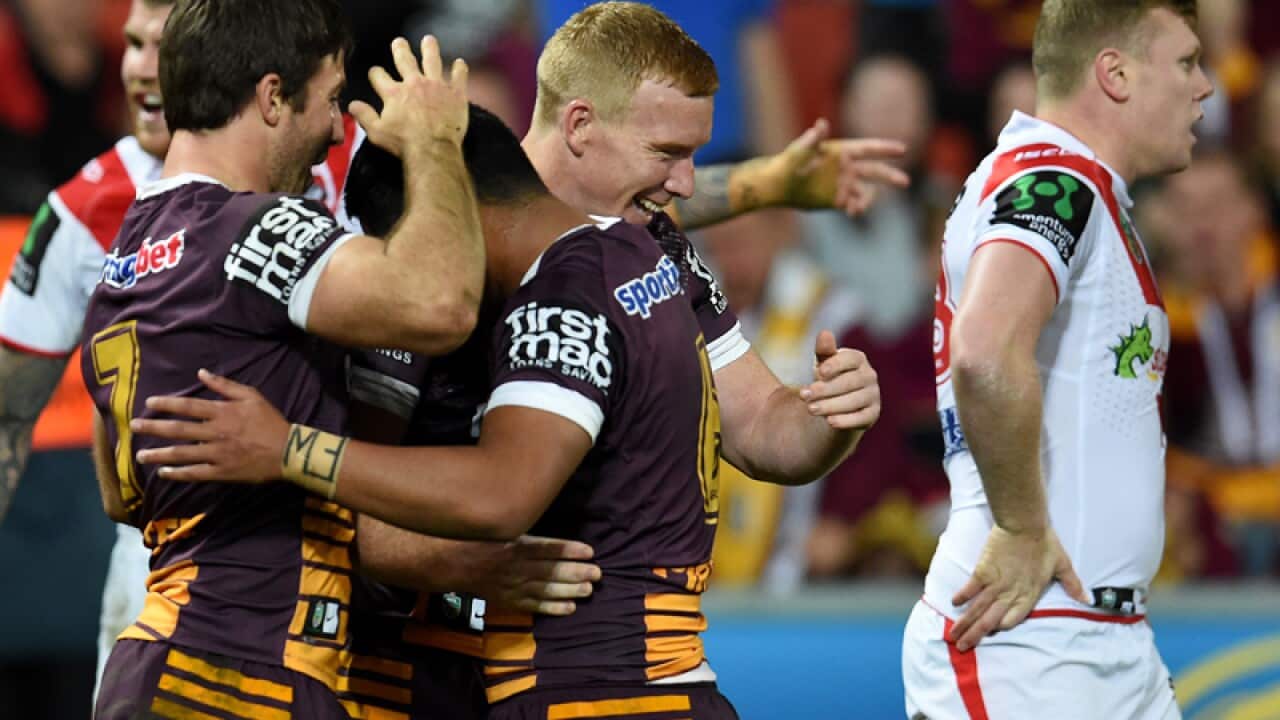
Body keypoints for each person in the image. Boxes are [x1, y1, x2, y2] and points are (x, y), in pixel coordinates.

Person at [80, 0, 488, 714]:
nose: (337, 129)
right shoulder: (250, 229)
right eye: (330, 101)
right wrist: (435, 142)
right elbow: (441, 304)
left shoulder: (134, 248)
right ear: (272, 98)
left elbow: (121, 494)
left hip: (180, 657)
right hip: (229, 669)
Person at [0, 0, 369, 701]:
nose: (143, 69)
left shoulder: (341, 153)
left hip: (340, 566)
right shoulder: (82, 208)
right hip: (172, 578)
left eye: (160, 46)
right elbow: (5, 420)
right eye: (133, 44)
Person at [906, 1, 1212, 718]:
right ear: (1115, 74)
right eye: (1187, 62)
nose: (1205, 87)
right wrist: (1018, 527)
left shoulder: (1081, 188)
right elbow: (984, 351)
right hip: (1025, 642)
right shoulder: (1054, 183)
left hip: (1103, 642)